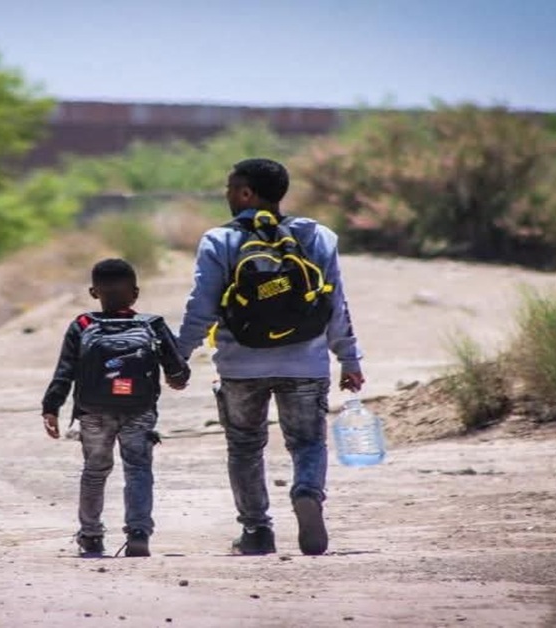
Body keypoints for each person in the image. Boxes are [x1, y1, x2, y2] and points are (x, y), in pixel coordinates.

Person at [176, 158, 365, 556]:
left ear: (246, 193)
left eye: (230, 189)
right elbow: (336, 305)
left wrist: (178, 356)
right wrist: (349, 359)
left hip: (239, 365)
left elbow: (202, 307)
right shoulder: (319, 237)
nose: (226, 196)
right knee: (308, 442)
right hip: (306, 363)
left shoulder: (219, 240)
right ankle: (306, 492)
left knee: (244, 446)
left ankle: (256, 531)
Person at [41, 258, 190, 557]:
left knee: (94, 472)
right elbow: (179, 372)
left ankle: (91, 536)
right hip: (140, 409)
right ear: (135, 293)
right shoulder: (152, 324)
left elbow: (64, 371)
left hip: (92, 411)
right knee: (138, 469)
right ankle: (138, 532)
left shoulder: (82, 325)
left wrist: (51, 407)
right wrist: (176, 379)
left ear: (94, 292)